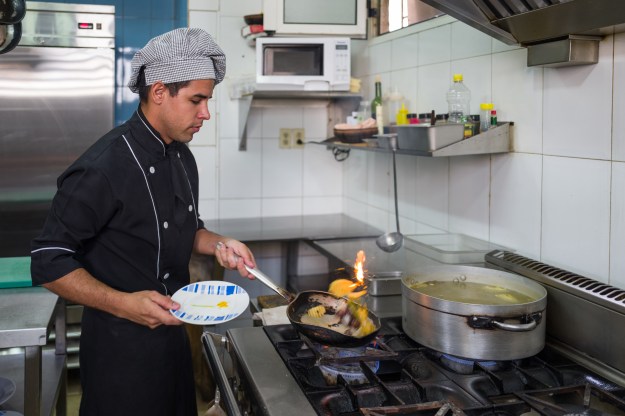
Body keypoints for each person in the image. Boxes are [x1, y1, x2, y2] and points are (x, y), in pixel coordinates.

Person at [30, 28, 255, 416]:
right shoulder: (102, 167)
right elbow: (48, 260)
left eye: (208, 100)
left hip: (174, 338)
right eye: (197, 100)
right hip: (120, 351)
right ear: (159, 91)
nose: (206, 113)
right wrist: (124, 304)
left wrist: (220, 243)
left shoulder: (182, 158)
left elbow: (189, 229)